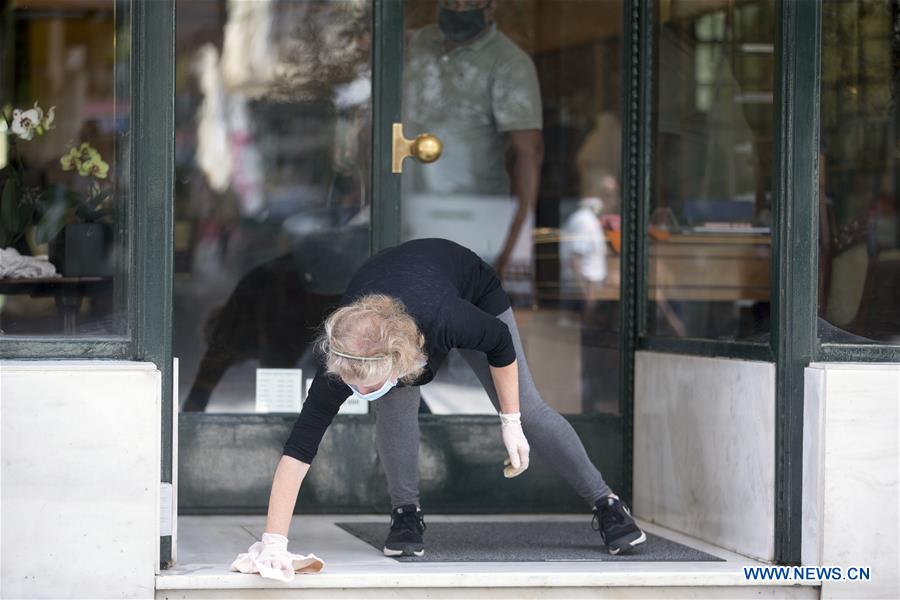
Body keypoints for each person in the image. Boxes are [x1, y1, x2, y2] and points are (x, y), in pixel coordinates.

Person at [240, 239, 645, 570]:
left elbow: (499, 345)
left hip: (467, 287)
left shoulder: (448, 318)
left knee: (530, 409)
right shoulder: (345, 359)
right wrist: (274, 543)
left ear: (399, 361)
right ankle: (405, 514)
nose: (359, 394)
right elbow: (298, 451)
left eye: (368, 384)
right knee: (395, 412)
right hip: (393, 297)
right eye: (352, 384)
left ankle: (607, 503)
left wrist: (510, 419)